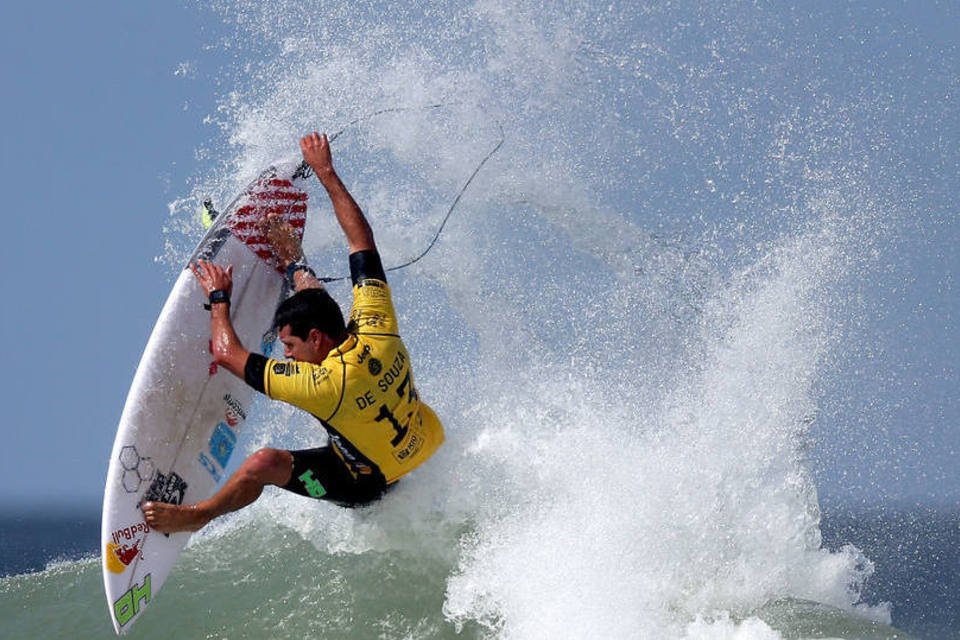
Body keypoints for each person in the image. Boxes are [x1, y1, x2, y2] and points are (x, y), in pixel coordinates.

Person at [142, 132, 445, 533]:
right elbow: (361, 241)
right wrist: (326, 172)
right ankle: (294, 262)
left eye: (289, 345)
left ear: (315, 339)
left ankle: (198, 517)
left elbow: (225, 353)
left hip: (368, 482)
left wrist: (219, 297)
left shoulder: (322, 385)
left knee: (263, 463)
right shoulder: (378, 327)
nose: (285, 355)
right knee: (314, 297)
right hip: (423, 443)